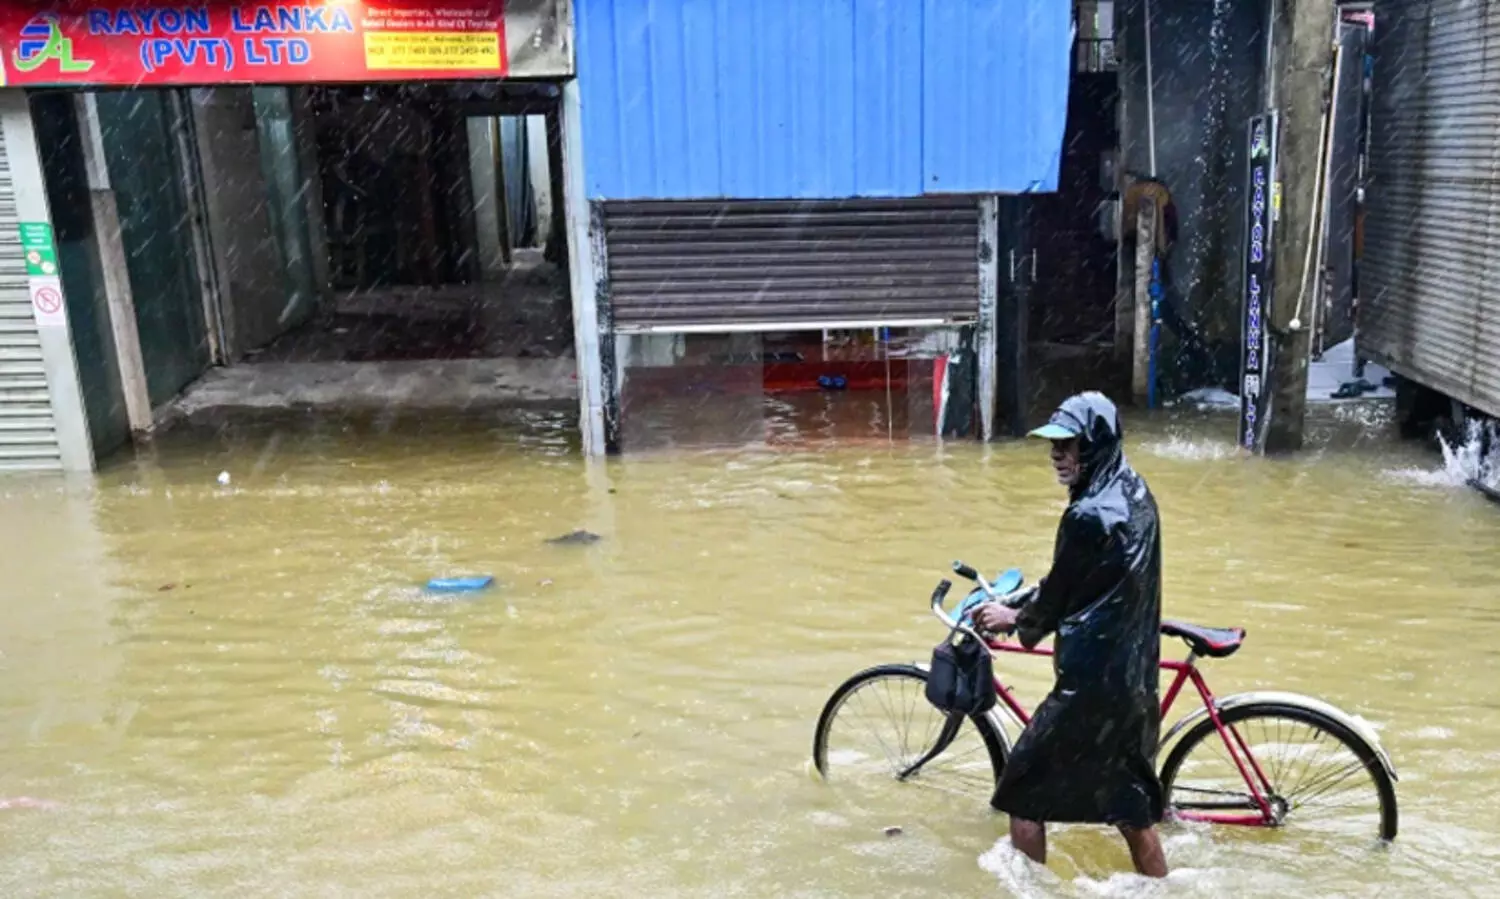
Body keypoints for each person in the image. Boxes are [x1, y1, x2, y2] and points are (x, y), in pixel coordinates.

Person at [972, 391, 1168, 878]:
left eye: (1068, 445)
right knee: (1131, 809)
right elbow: (1081, 579)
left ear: (1094, 445)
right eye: (1053, 446)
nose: (1057, 456)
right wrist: (1028, 600)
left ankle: (1029, 890)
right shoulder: (1134, 490)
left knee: (1021, 792)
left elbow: (1058, 595)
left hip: (1091, 687)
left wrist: (1014, 618)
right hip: (1132, 680)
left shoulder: (1085, 515)